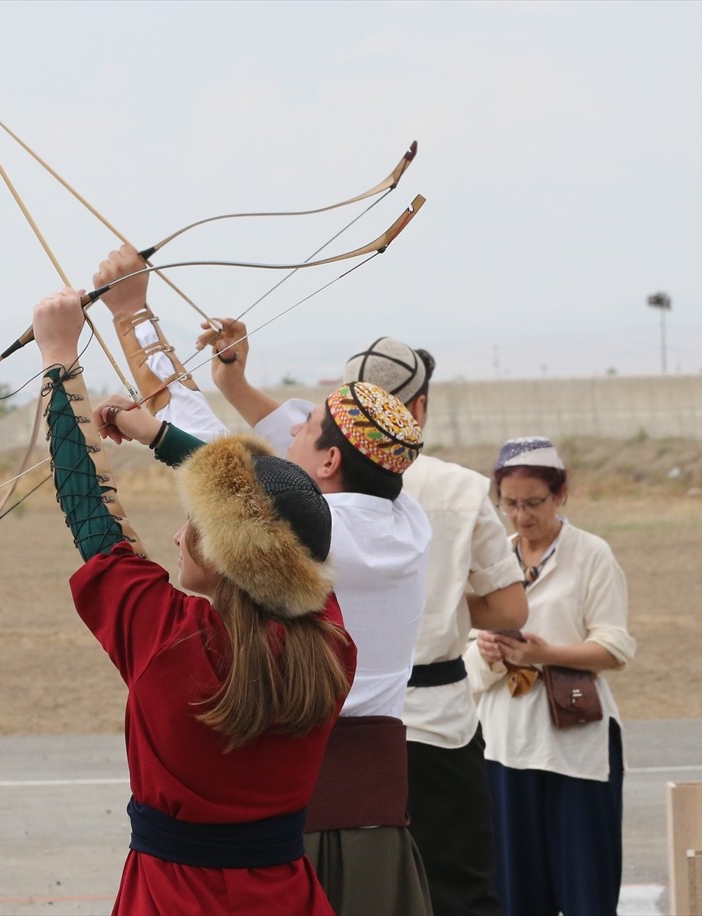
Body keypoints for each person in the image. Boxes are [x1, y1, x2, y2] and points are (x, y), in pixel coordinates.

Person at [92, 245, 433, 915]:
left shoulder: (326, 529)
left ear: (329, 460)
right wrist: (235, 381)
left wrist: (132, 314)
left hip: (295, 823)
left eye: (303, 429)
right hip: (375, 819)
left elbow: (210, 452)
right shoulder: (403, 518)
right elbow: (249, 440)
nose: (287, 430)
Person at [31, 287, 358, 916]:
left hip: (170, 898)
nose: (180, 534)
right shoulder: (331, 646)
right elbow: (279, 520)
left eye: (197, 524)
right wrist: (147, 429)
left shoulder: (168, 640)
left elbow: (90, 513)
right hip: (286, 896)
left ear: (230, 555)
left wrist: (58, 355)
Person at [328, 336, 529, 915]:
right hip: (437, 724)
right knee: (457, 891)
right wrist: (444, 606)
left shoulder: (317, 481)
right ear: (417, 408)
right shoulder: (460, 487)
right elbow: (512, 610)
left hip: (343, 720)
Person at [463, 437, 635, 916]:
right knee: (515, 894)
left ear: (560, 495)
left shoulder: (591, 554)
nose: (521, 516)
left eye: (534, 503)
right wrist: (491, 652)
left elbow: (616, 647)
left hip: (576, 745)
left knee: (587, 892)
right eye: (510, 504)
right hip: (504, 743)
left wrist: (546, 653)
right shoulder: (491, 561)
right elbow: (467, 667)